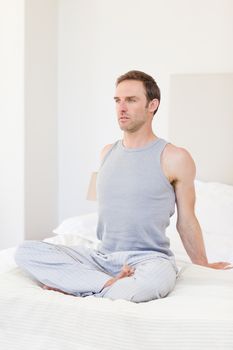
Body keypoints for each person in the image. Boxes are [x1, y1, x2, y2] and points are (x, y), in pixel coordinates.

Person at [15, 70, 232, 303]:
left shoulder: (175, 157)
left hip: (148, 260)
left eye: (131, 100)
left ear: (153, 105)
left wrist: (203, 265)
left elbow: (187, 220)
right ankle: (106, 284)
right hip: (102, 258)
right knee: (26, 252)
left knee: (147, 285)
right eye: (117, 100)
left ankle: (81, 287)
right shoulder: (107, 152)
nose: (121, 107)